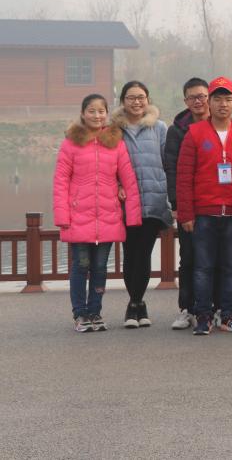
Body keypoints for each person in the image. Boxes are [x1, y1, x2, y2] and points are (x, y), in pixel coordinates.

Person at [53, 94, 142, 332]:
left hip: (107, 216)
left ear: (107, 114)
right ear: (83, 114)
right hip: (78, 216)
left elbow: (129, 180)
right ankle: (80, 314)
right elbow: (61, 181)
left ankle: (95, 312)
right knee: (81, 266)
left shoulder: (115, 142)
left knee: (101, 267)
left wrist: (133, 215)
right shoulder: (71, 143)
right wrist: (62, 216)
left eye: (101, 111)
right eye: (91, 111)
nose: (97, 115)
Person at [176, 76, 232, 336]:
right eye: (218, 99)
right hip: (204, 214)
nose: (223, 104)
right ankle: (203, 315)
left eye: (228, 99)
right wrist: (186, 214)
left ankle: (230, 315)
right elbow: (184, 176)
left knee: (231, 268)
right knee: (202, 268)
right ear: (209, 103)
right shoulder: (194, 133)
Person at [112, 81, 173, 329]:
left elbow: (167, 163)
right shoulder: (114, 129)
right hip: (125, 202)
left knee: (144, 252)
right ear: (123, 101)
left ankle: (135, 304)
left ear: (147, 99)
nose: (136, 102)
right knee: (130, 253)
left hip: (153, 199)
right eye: (131, 97)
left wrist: (170, 197)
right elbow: (107, 165)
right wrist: (117, 185)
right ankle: (137, 303)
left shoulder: (159, 127)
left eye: (141, 97)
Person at [163, 77, 210, 330]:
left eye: (202, 96)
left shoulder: (221, 124)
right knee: (189, 258)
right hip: (188, 204)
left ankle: (213, 307)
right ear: (185, 101)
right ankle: (187, 308)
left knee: (216, 258)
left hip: (215, 203)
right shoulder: (177, 130)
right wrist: (177, 204)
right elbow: (171, 169)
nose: (198, 101)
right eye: (192, 97)